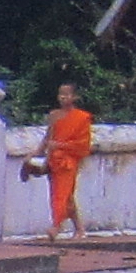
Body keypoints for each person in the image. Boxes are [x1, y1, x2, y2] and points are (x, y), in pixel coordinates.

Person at [33, 83, 95, 243]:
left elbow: (83, 145)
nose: (63, 97)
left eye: (67, 94)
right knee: (65, 197)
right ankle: (80, 230)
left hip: (68, 162)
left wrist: (60, 145)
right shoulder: (54, 115)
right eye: (61, 94)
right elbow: (47, 138)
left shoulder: (82, 117)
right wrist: (34, 154)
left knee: (63, 195)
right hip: (53, 161)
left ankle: (56, 226)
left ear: (75, 97)